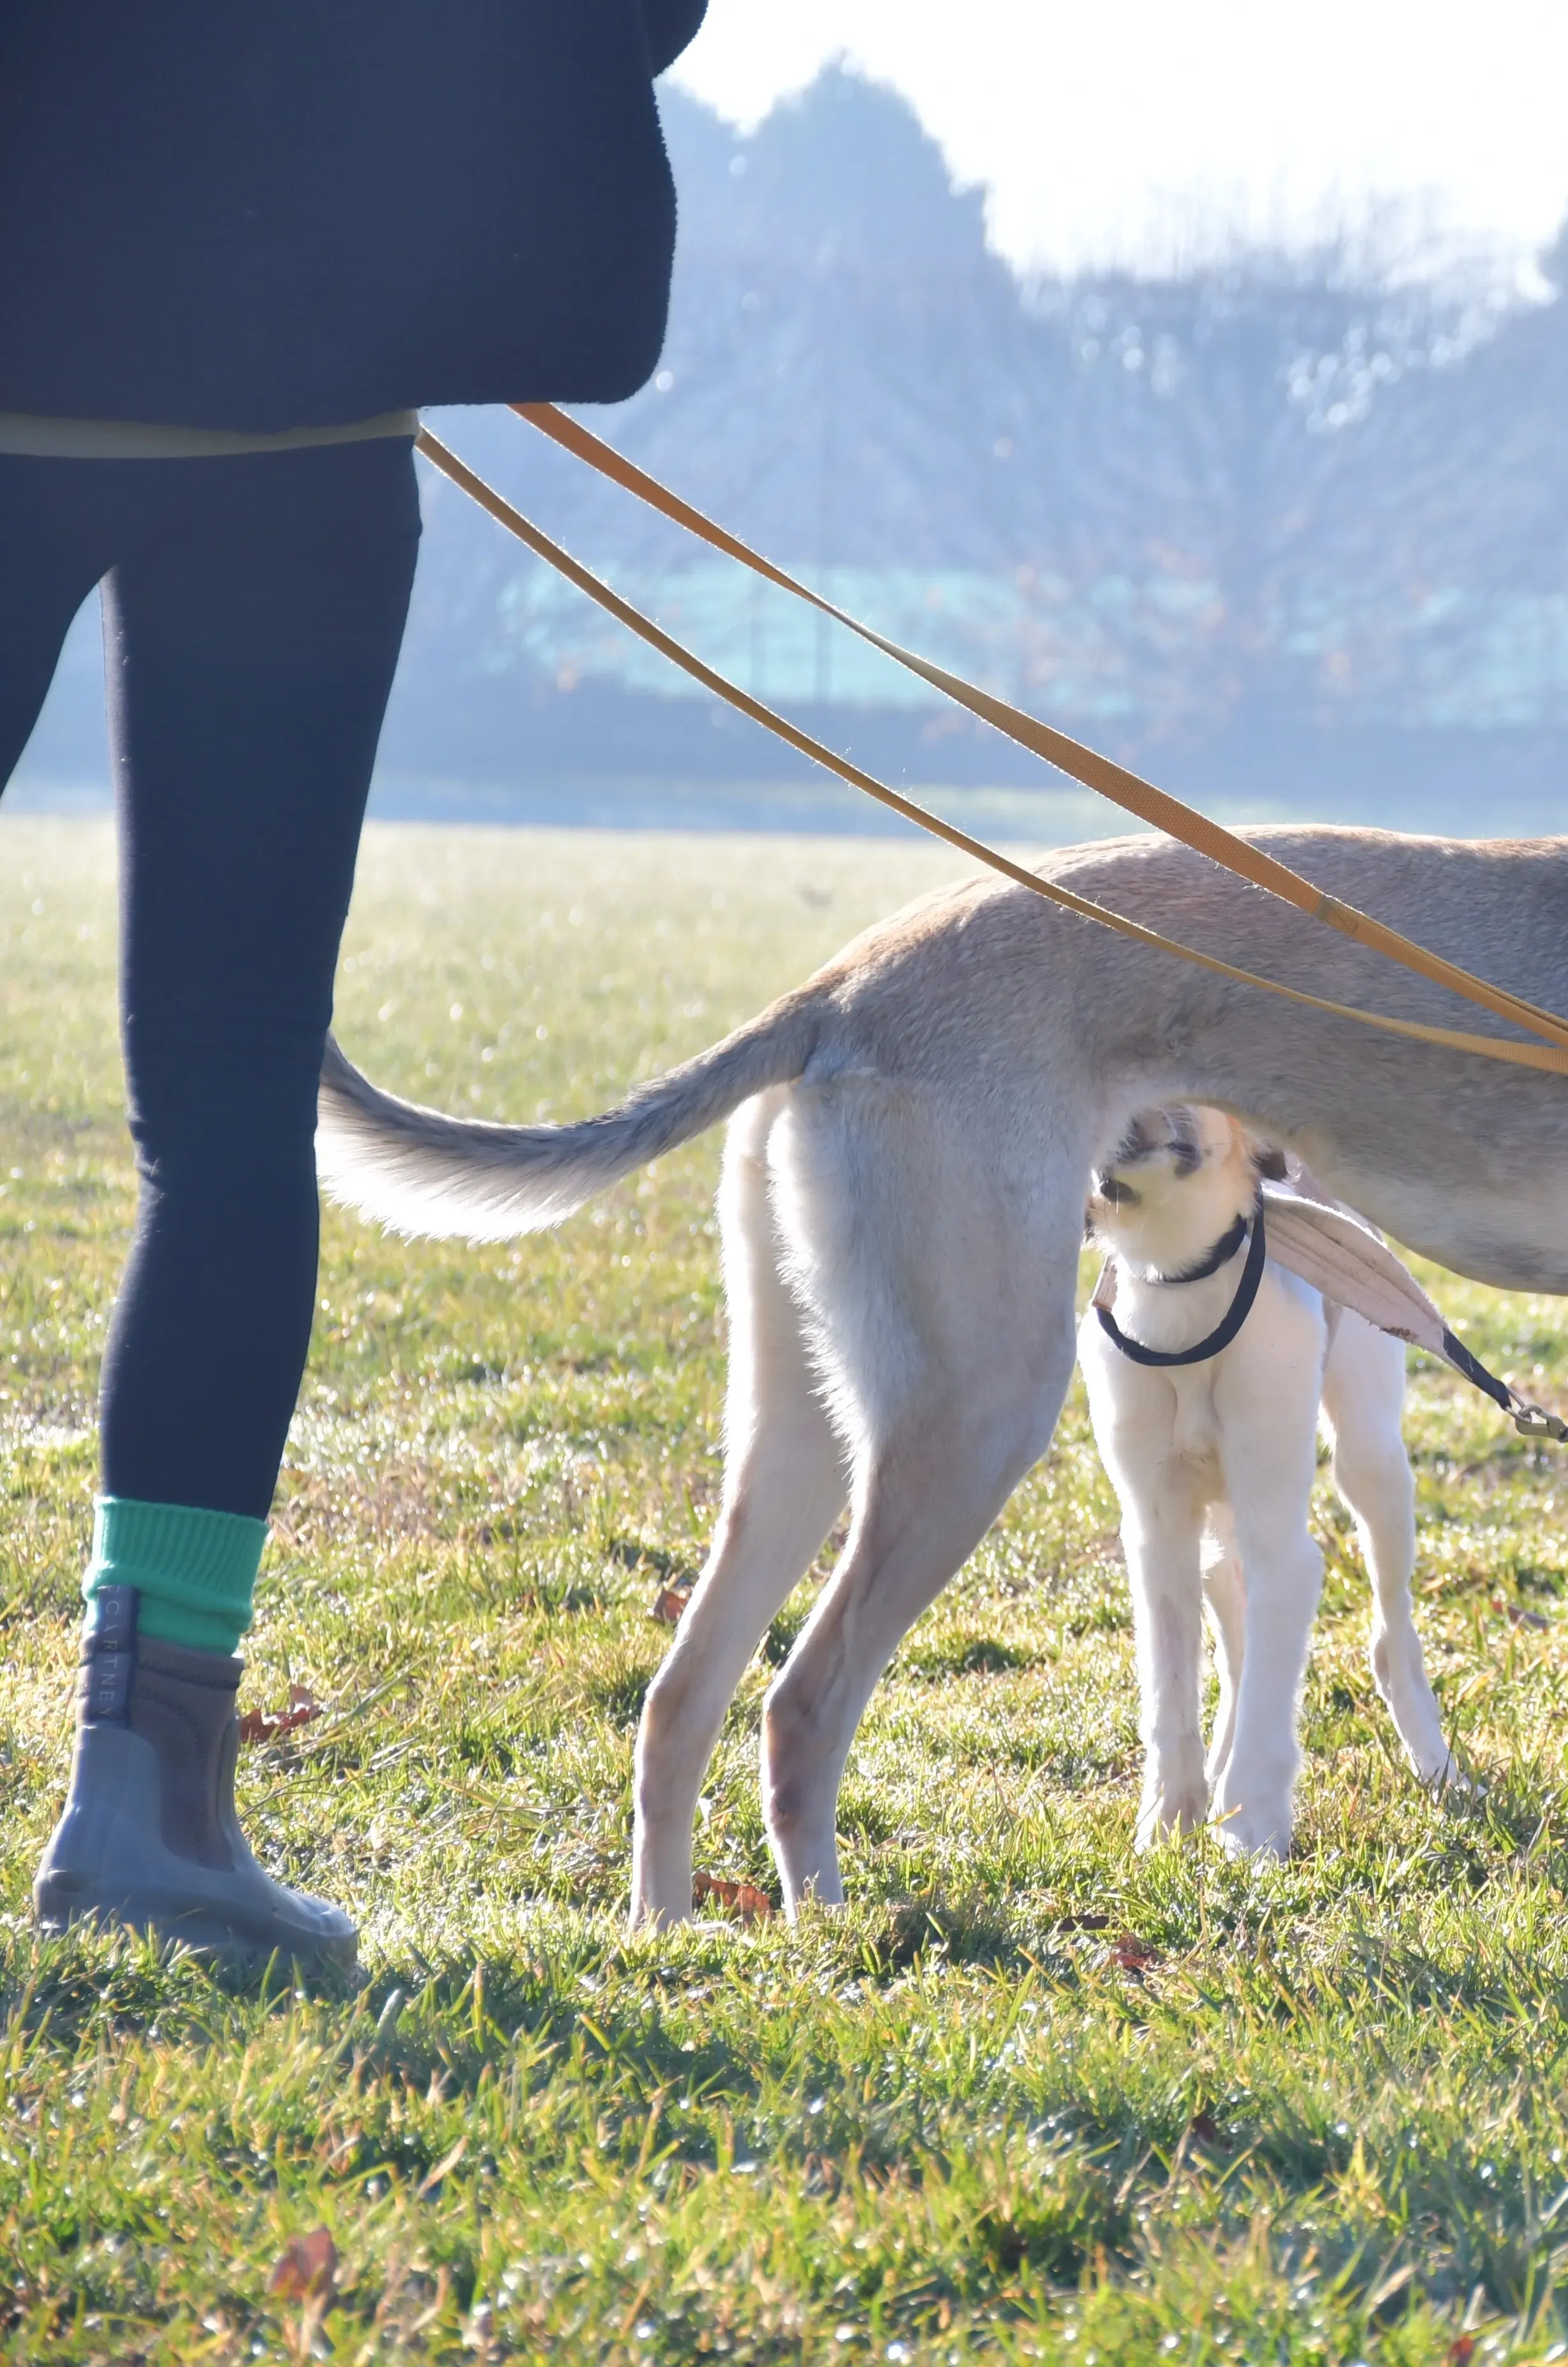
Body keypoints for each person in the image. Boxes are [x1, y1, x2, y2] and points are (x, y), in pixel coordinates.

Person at [2, 0, 708, 1972]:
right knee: (228, 1112)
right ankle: (149, 1800)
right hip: (299, 387)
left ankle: (162, 1798)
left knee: (229, 1109)